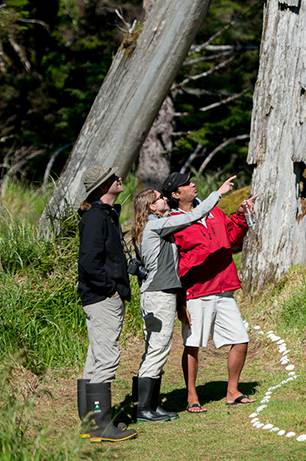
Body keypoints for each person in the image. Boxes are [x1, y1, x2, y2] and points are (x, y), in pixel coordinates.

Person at [129, 175, 236, 422]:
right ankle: (144, 410)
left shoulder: (156, 224)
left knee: (156, 348)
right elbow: (191, 217)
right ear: (151, 208)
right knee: (157, 349)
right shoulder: (155, 226)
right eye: (158, 198)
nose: (163, 198)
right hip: (159, 296)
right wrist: (218, 193)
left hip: (157, 295)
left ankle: (151, 406)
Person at [161, 171, 257, 412]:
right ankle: (192, 396)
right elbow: (172, 266)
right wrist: (179, 303)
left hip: (225, 288)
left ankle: (232, 392)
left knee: (241, 340)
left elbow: (233, 237)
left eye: (191, 181)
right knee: (193, 344)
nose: (193, 185)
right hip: (196, 292)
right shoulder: (172, 221)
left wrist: (242, 216)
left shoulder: (212, 210)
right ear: (175, 194)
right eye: (186, 184)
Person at [76, 164, 137, 442]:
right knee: (107, 358)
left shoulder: (106, 215)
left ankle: (91, 424)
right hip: (102, 298)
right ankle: (101, 425)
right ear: (102, 187)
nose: (119, 178)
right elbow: (89, 262)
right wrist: (110, 290)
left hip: (100, 297)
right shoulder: (95, 218)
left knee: (96, 357)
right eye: (113, 178)